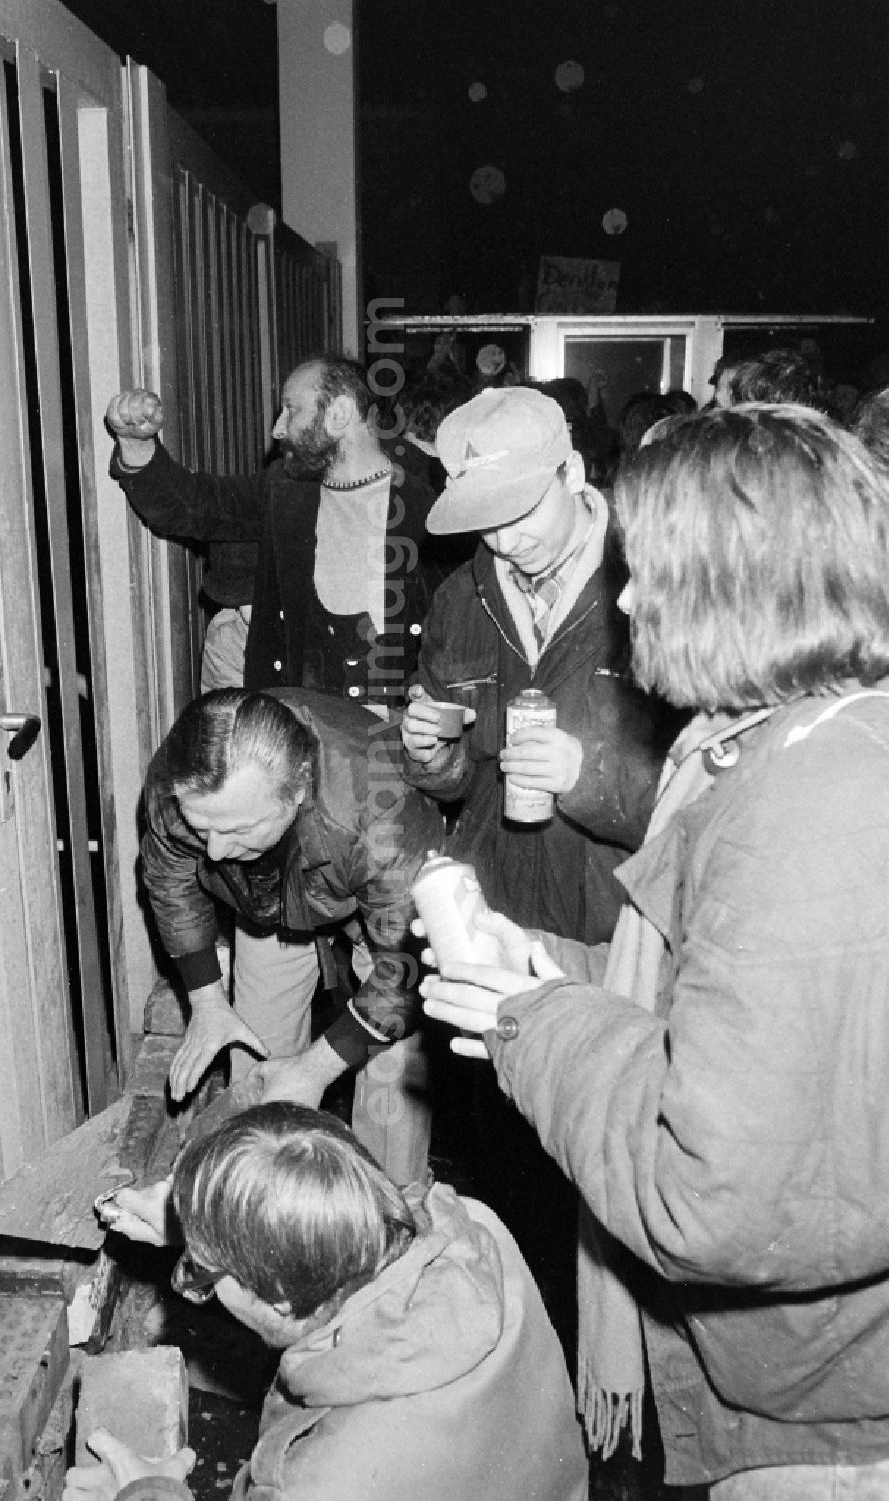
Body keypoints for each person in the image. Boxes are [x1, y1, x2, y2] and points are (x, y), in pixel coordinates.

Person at [421, 403, 889, 1495]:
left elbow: (705, 1191)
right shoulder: (798, 745)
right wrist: (542, 975)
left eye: (652, 570)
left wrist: (538, 1020)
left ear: (730, 585)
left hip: (828, 1428)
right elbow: (724, 1020)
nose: (627, 601)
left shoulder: (809, 802)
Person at [64, 1102, 589, 1501]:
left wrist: (149, 1494)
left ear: (285, 1300)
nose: (201, 1283)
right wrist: (210, 1218)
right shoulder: (474, 1228)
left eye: (204, 1274)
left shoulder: (320, 1480)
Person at [401, 384, 678, 945]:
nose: (504, 540)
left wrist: (588, 777)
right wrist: (433, 756)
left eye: (520, 509)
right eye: (484, 519)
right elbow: (459, 787)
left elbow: (707, 802)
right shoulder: (459, 601)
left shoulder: (660, 579)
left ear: (572, 472)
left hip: (620, 926)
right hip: (498, 920)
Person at [142, 687, 443, 1184]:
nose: (213, 853)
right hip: (265, 902)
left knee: (394, 1071)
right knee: (257, 1071)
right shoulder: (182, 779)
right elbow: (171, 879)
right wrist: (209, 1001)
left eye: (237, 830)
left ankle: (390, 1208)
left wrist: (318, 1067)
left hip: (381, 905)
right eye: (203, 829)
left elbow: (407, 969)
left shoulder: (380, 811)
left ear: (299, 788)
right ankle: (255, 1210)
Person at [105, 354, 445, 709]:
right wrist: (137, 444)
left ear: (340, 413)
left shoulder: (435, 496)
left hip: (403, 733)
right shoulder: (285, 488)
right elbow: (195, 505)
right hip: (307, 726)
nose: (278, 430)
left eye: (292, 410)